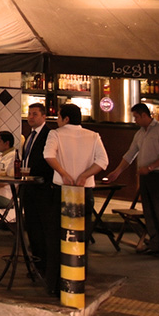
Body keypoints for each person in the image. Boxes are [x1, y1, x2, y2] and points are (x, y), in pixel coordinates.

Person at [44, 103, 108, 295]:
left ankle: (55, 285)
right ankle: (77, 283)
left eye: (59, 117)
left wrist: (63, 173)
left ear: (66, 119)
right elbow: (103, 161)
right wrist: (84, 176)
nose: (57, 121)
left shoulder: (55, 134)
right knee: (81, 238)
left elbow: (48, 155)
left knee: (57, 237)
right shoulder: (93, 136)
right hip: (84, 192)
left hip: (61, 191)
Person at [107, 102, 159, 259]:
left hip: (158, 176)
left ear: (144, 115)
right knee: (149, 211)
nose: (135, 120)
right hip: (145, 177)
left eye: (136, 117)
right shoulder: (140, 134)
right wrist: (117, 171)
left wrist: (150, 168)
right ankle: (155, 244)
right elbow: (130, 154)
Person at [20, 103, 55, 275]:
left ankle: (45, 265)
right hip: (28, 187)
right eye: (29, 113)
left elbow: (48, 160)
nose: (31, 117)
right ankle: (36, 263)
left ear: (43, 116)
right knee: (32, 227)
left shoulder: (49, 135)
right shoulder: (30, 136)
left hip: (42, 188)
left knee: (42, 228)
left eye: (35, 114)